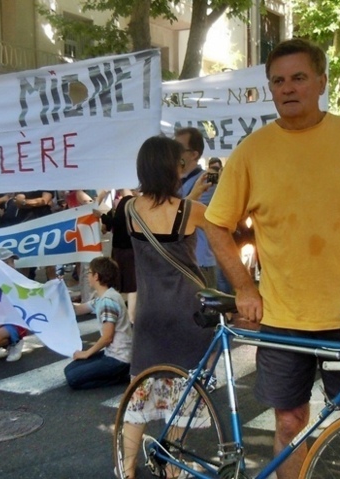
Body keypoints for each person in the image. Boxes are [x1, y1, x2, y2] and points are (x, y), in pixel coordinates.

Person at [204, 38, 340, 479]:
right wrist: (244, 287)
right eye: (277, 81)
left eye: (299, 77)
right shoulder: (252, 150)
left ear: (321, 82)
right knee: (289, 422)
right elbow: (215, 223)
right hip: (284, 318)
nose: (287, 88)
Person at [121, 136, 213, 479]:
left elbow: (159, 223)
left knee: (139, 396)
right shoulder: (193, 212)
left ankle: (126, 468)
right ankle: (172, 470)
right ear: (171, 168)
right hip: (186, 314)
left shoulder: (128, 209)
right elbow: (199, 223)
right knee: (181, 395)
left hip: (148, 315)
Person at [64, 256, 132, 390]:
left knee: (73, 378)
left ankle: (121, 376)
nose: (87, 276)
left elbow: (107, 337)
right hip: (111, 354)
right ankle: (116, 373)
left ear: (96, 276)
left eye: (89, 272)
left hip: (119, 358)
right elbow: (79, 309)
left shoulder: (108, 301)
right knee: (70, 370)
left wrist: (87, 353)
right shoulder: (103, 298)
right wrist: (62, 296)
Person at [175, 127, 218, 288]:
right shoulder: (176, 180)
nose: (173, 153)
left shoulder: (206, 182)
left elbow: (182, 214)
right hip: (182, 261)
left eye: (178, 149)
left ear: (194, 154)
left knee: (204, 312)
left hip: (199, 263)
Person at [100, 189, 138, 323]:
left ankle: (129, 316)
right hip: (129, 247)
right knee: (130, 283)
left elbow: (116, 222)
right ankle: (129, 315)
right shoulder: (133, 202)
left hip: (123, 247)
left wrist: (101, 216)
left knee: (128, 284)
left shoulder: (125, 201)